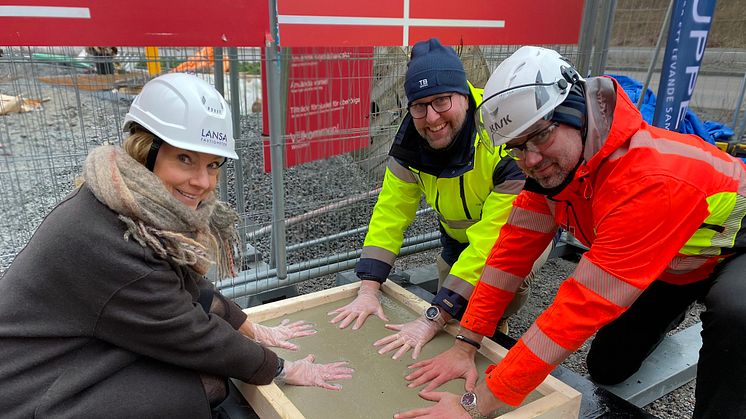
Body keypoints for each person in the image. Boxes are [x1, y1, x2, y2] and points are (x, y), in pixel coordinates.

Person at [394, 46, 746, 419]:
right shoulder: (553, 171)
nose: (530, 159)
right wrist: (467, 340)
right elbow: (507, 260)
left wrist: (474, 405)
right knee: (608, 368)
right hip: (671, 263)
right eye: (516, 148)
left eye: (540, 135)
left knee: (736, 313)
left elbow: (578, 308)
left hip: (732, 253)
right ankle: (672, 308)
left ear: (576, 115)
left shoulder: (647, 181)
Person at [0, 73, 353, 419]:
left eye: (213, 165)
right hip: (27, 386)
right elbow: (192, 333)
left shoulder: (122, 201)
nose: (202, 182)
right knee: (202, 384)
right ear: (145, 152)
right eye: (185, 159)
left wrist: (251, 326)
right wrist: (280, 368)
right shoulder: (110, 241)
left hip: (65, 350)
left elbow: (187, 287)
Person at [329, 38, 550, 360]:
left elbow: (492, 243)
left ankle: (497, 321)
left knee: (491, 295)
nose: (432, 118)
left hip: (515, 233)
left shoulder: (503, 138)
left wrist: (433, 316)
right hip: (456, 233)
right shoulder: (410, 143)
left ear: (464, 94)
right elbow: (391, 212)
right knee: (456, 307)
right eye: (420, 106)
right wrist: (369, 288)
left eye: (442, 101)